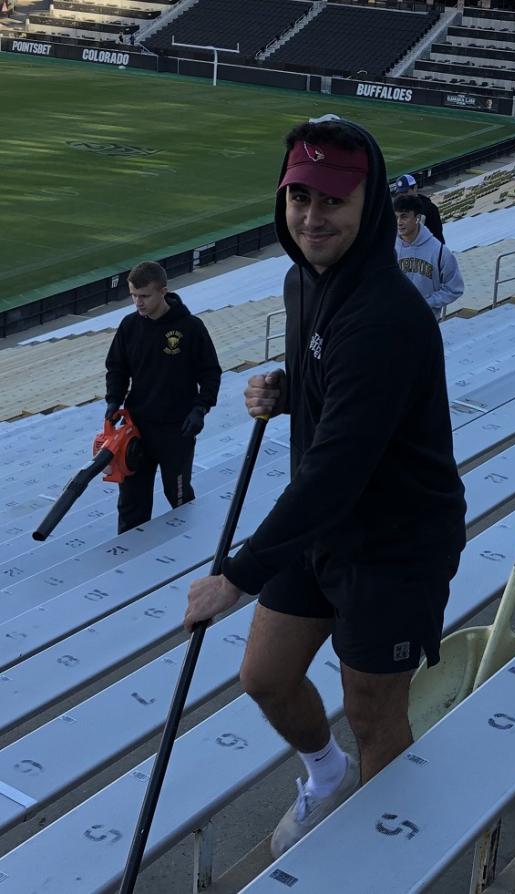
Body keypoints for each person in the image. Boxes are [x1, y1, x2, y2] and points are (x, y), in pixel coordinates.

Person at [183, 117, 466, 858]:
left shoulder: (386, 314)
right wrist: (286, 388)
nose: (313, 216)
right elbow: (329, 382)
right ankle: (326, 774)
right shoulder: (302, 278)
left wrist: (238, 575)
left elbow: (341, 464)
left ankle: (384, 860)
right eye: (299, 196)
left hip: (395, 544)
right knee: (265, 676)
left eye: (333, 200)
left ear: (368, 204)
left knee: (374, 714)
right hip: (324, 528)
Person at [105, 261, 221, 534]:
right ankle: (130, 562)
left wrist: (201, 408)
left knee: (179, 498)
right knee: (131, 503)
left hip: (176, 430)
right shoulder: (130, 325)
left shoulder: (191, 328)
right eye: (133, 295)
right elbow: (117, 368)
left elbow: (210, 372)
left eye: (144, 296)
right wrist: (113, 400)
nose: (138, 302)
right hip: (136, 429)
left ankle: (185, 552)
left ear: (163, 291)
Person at [394, 193, 464, 318]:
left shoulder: (440, 251)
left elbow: (455, 288)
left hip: (426, 321)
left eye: (404, 217)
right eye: (396, 217)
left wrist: (427, 302)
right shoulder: (389, 247)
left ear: (417, 217)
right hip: (394, 320)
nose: (399, 222)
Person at [394, 173, 445, 244]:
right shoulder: (398, 208)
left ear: (415, 188)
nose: (402, 196)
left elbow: (437, 234)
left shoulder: (429, 208)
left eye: (405, 192)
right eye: (400, 193)